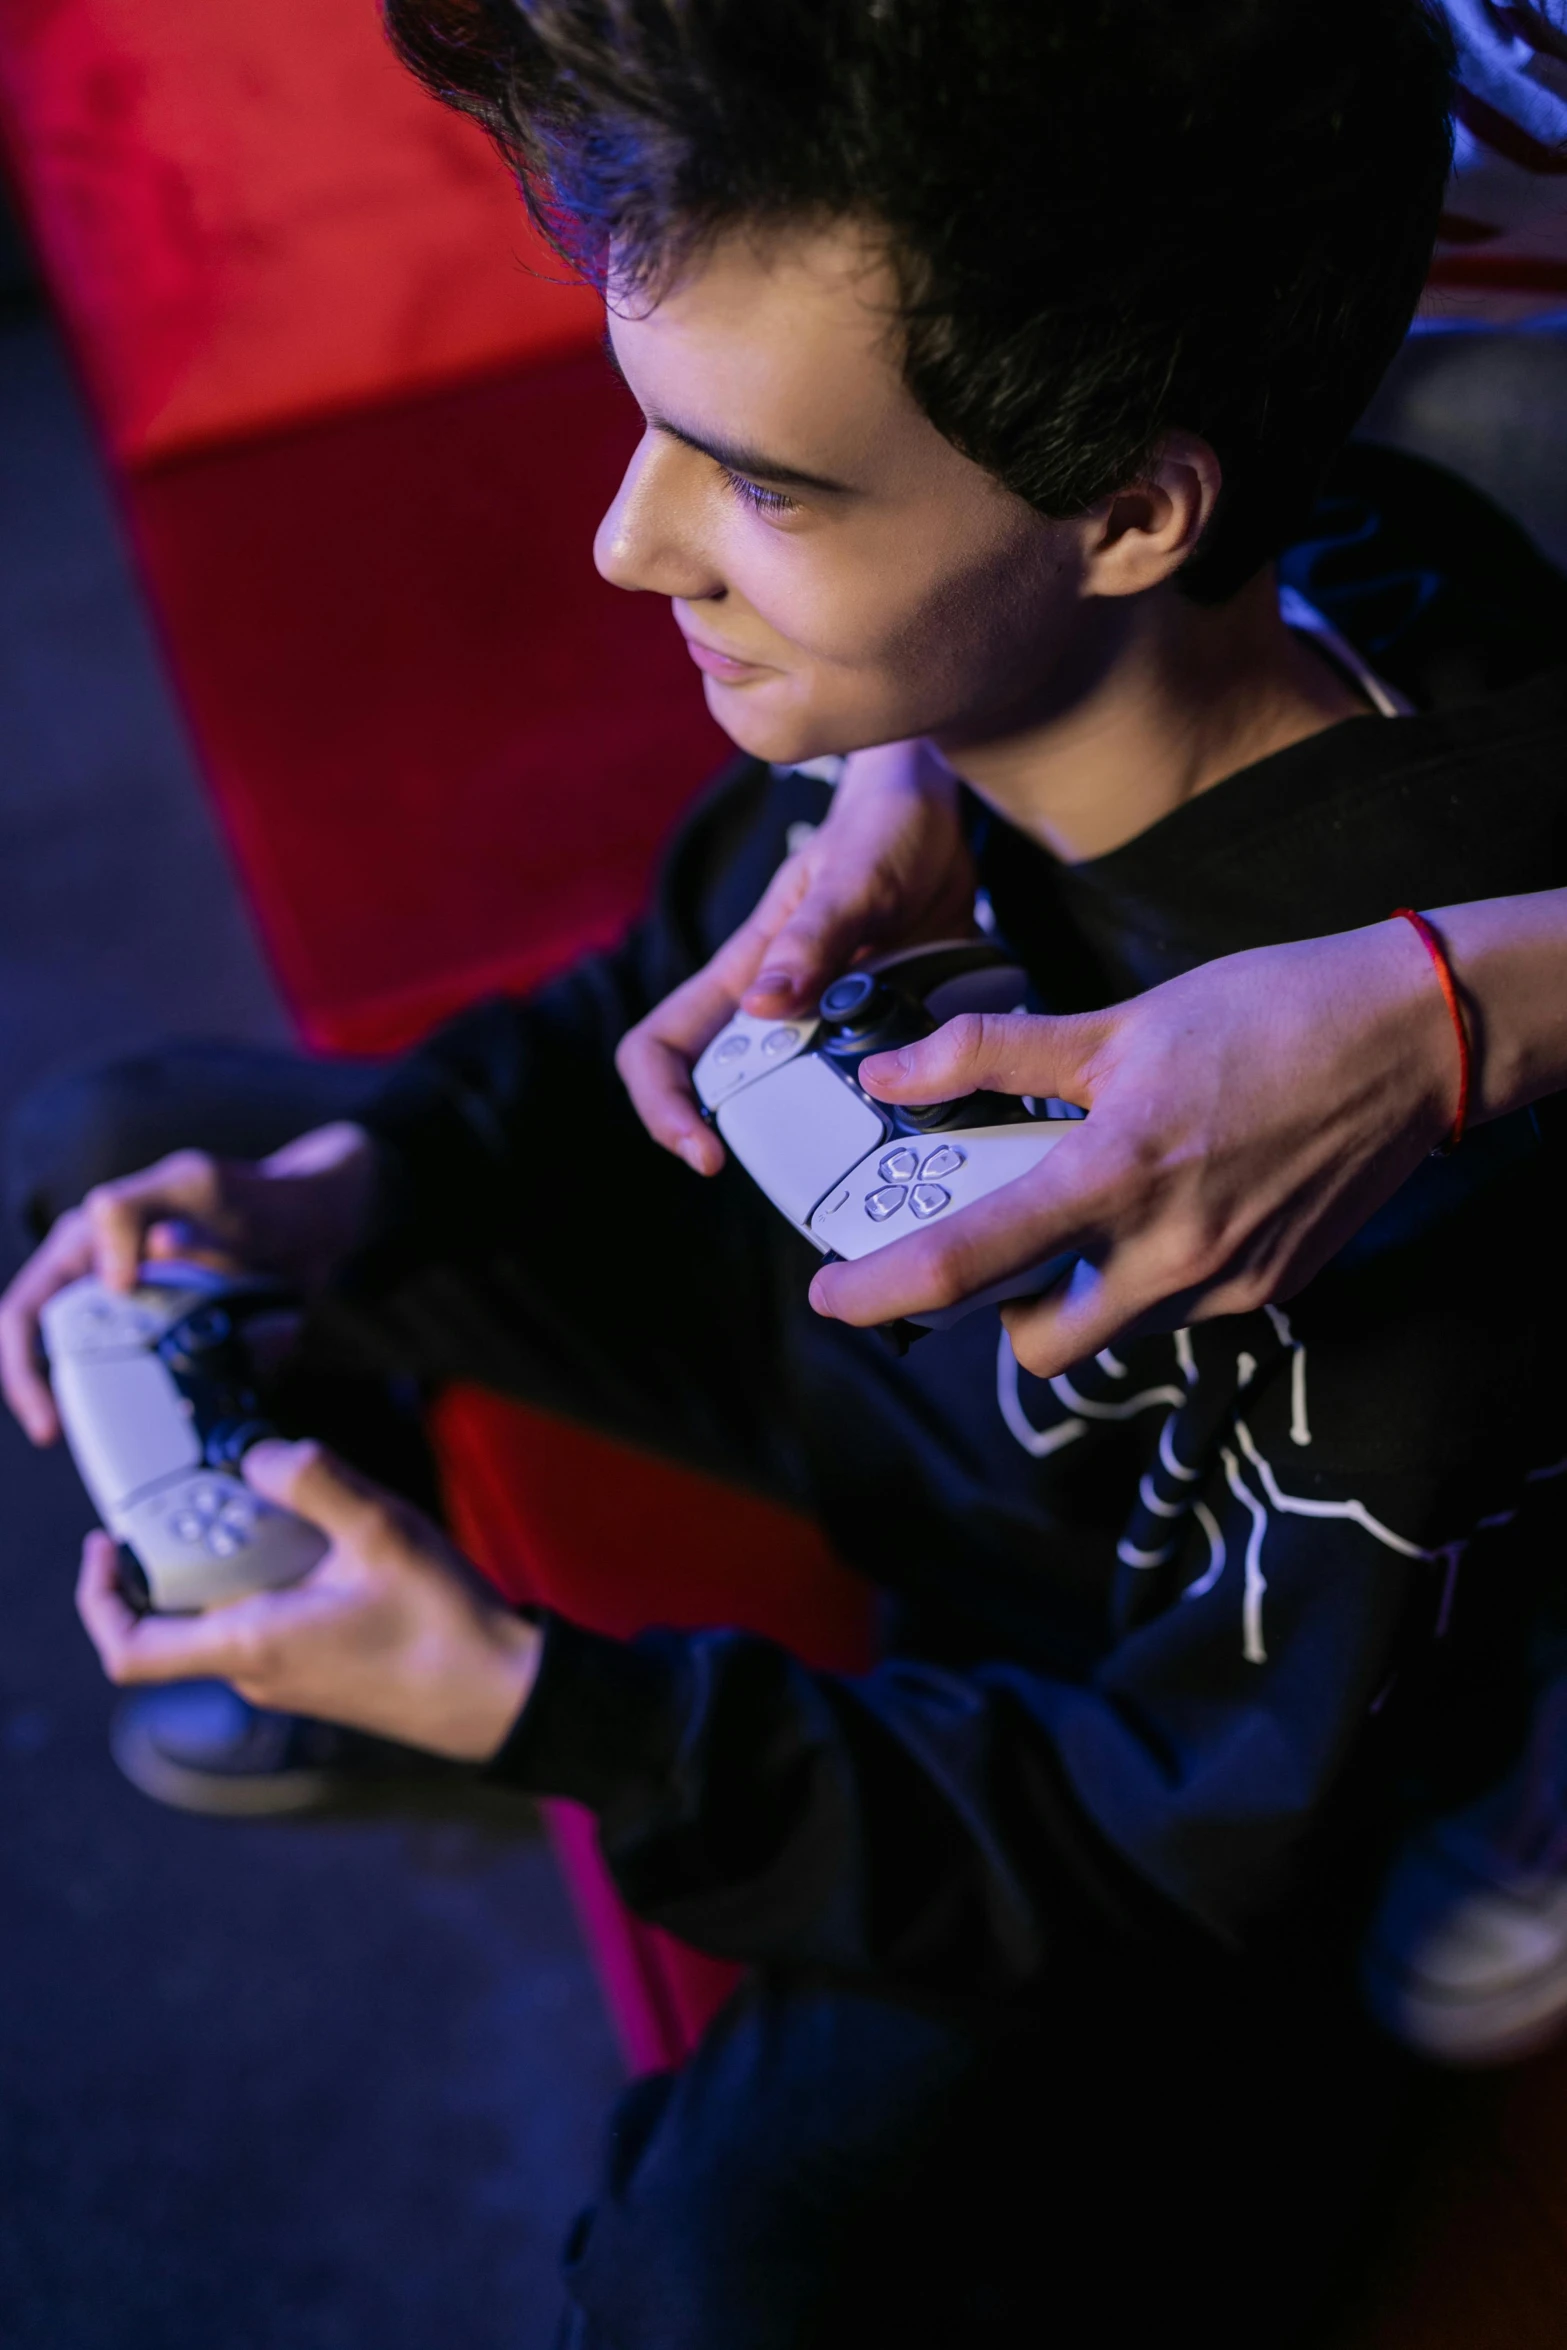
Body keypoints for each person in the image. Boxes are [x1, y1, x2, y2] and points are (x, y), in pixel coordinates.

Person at [5, 0, 1567, 2337]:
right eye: (656, 429)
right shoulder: (986, 688)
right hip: (868, 1373)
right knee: (135, 1162)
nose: (627, 540)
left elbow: (1161, 1832)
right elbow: (662, 1003)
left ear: (1135, 510)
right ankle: (324, 1614)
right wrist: (356, 1188)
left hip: (1101, 1735)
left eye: (765, 484)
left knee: (723, 2269)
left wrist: (551, 1706)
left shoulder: (1379, 1184)